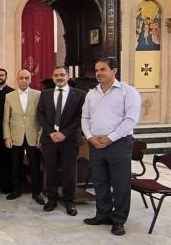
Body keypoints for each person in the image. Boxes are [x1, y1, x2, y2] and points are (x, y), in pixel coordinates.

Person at [81, 57, 141, 236]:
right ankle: (103, 214)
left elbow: (130, 120)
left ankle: (119, 220)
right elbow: (85, 118)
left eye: (103, 69)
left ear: (114, 71)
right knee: (100, 182)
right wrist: (90, 137)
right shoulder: (91, 93)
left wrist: (110, 138)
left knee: (120, 183)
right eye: (97, 69)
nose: (98, 73)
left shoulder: (128, 92)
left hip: (119, 144)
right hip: (96, 145)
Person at [37, 65, 86, 216]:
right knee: (50, 170)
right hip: (49, 139)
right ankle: (51, 199)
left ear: (68, 77)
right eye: (56, 75)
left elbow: (80, 116)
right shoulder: (45, 94)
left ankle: (69, 201)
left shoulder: (80, 94)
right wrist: (51, 132)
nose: (59, 77)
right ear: (52, 77)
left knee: (69, 171)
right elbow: (40, 114)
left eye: (62, 75)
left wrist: (65, 133)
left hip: (69, 139)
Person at [3, 69, 44, 205]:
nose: (24, 80)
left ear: (30, 79)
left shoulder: (38, 95)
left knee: (35, 166)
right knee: (15, 165)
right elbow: (6, 120)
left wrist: (40, 135)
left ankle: (37, 193)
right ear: (17, 79)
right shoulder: (9, 96)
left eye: (27, 78)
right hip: (16, 136)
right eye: (21, 78)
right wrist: (7, 136)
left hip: (33, 136)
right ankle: (16, 190)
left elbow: (42, 118)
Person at [0, 68, 15, 193]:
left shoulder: (12, 92)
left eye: (1, 75)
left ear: (6, 76)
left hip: (8, 131)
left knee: (8, 159)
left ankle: (8, 186)